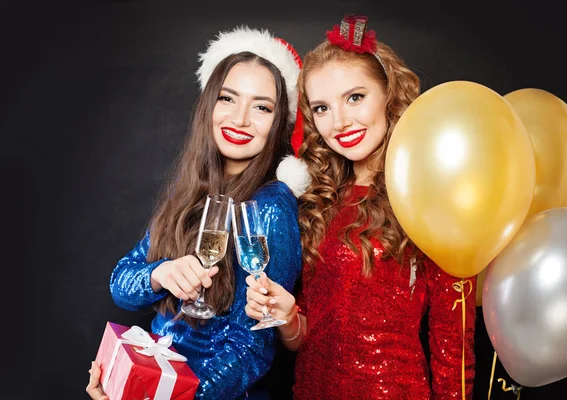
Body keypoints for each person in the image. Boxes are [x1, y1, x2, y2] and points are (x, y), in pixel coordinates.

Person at [245, 15, 477, 399]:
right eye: (321, 108)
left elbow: (454, 351)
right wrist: (286, 318)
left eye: (355, 97)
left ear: (389, 93)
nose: (339, 121)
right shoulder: (320, 200)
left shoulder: (428, 197)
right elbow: (304, 338)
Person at [86, 26, 305, 400]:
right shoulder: (187, 189)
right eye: (228, 99)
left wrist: (170, 397)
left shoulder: (271, 206)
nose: (240, 118)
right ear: (209, 105)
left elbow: (250, 349)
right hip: (156, 377)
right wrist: (162, 273)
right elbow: (121, 285)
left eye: (262, 107)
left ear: (279, 123)